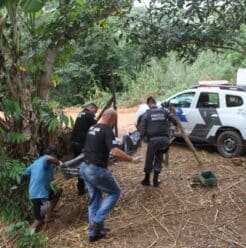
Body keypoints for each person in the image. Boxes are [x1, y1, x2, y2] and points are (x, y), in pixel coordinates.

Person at [80, 108, 141, 243]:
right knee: (115, 192)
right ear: (111, 119)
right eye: (115, 121)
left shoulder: (92, 127)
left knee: (95, 198)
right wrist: (132, 160)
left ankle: (94, 233)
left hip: (84, 167)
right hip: (95, 170)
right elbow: (115, 152)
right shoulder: (107, 130)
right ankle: (97, 221)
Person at [22, 145, 63, 231]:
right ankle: (30, 236)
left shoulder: (36, 162)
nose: (56, 157)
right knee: (38, 220)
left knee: (58, 192)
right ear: (52, 154)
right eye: (56, 156)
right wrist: (59, 163)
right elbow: (48, 159)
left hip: (42, 192)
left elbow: (24, 174)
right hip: (39, 195)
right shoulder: (46, 159)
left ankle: (50, 212)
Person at [140, 96, 178, 187]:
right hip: (164, 140)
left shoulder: (146, 114)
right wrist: (171, 131)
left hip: (153, 141)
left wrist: (143, 138)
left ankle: (146, 180)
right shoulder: (164, 111)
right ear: (155, 103)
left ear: (148, 104)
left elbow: (142, 129)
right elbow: (175, 121)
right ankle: (155, 180)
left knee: (149, 159)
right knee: (159, 158)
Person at [71, 103, 98, 195]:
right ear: (92, 108)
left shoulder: (80, 114)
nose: (95, 114)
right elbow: (96, 129)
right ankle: (92, 187)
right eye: (95, 111)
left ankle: (80, 188)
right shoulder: (90, 115)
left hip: (74, 143)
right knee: (88, 164)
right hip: (82, 144)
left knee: (78, 165)